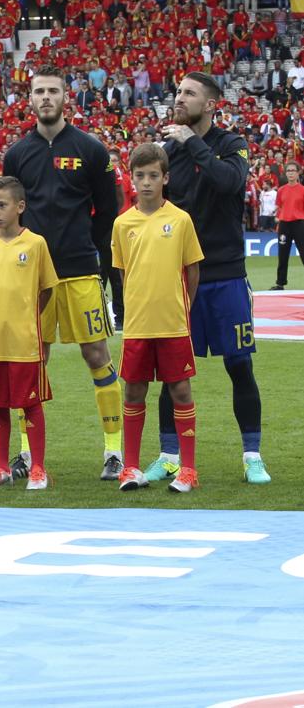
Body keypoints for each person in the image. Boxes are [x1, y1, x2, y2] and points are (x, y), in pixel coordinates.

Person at [1, 68, 124, 481]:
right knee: (33, 360)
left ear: (66, 97)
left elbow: (108, 211)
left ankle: (113, 451)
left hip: (80, 271)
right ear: (30, 98)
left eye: (53, 90)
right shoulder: (17, 153)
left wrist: (94, 254)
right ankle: (24, 453)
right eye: (39, 91)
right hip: (32, 275)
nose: (46, 97)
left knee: (97, 355)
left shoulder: (91, 149)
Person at [154, 72, 270, 485]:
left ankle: (252, 455)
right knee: (172, 373)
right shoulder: (167, 151)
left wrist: (191, 142)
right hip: (181, 278)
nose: (179, 98)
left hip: (226, 275)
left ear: (211, 103)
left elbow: (229, 182)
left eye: (189, 93)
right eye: (178, 92)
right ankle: (169, 455)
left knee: (239, 366)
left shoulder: (231, 145)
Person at [113, 143, 203, 494]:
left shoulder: (180, 220)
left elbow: (192, 270)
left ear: (166, 178)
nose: (146, 182)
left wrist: (184, 308)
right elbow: (123, 275)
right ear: (132, 179)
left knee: (180, 389)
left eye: (153, 175)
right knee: (134, 390)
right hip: (138, 324)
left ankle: (189, 470)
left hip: (172, 323)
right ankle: (130, 468)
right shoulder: (122, 224)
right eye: (140, 176)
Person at [0, 177, 58, 491]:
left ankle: (38, 468)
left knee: (30, 404)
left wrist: (28, 316)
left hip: (25, 341)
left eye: (1, 205)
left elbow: (47, 289)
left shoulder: (35, 244)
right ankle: (0, 468)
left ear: (20, 207)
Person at [273, 161, 303, 289]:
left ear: (298, 173)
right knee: (283, 255)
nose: (290, 173)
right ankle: (280, 283)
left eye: (293, 170)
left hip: (299, 224)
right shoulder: (281, 190)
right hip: (284, 225)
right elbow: (279, 206)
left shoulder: (302, 190)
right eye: (288, 171)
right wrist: (277, 217)